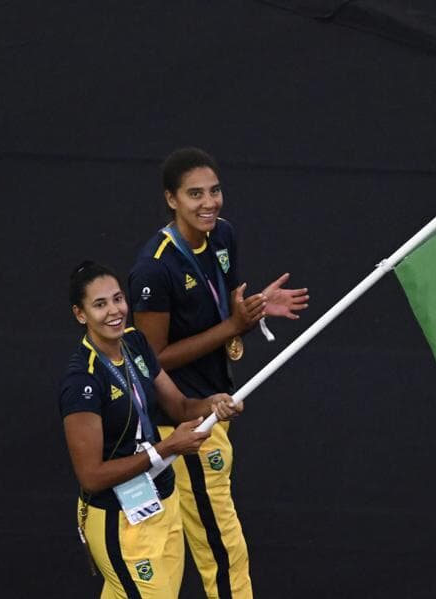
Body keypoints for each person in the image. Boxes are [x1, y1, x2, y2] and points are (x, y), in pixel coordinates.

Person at [129, 148, 308, 599]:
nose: (209, 203)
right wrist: (234, 325)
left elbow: (226, 307)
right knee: (221, 548)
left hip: (214, 405)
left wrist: (256, 309)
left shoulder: (222, 236)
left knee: (202, 544)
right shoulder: (156, 267)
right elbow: (150, 360)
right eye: (195, 194)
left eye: (214, 191)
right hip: (182, 422)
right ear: (171, 199)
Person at [59, 260, 242, 598]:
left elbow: (180, 407)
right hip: (119, 518)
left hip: (162, 501)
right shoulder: (82, 381)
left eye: (117, 299)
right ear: (80, 314)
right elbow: (91, 476)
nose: (114, 311)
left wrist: (213, 404)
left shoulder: (135, 344)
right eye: (99, 304)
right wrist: (168, 448)